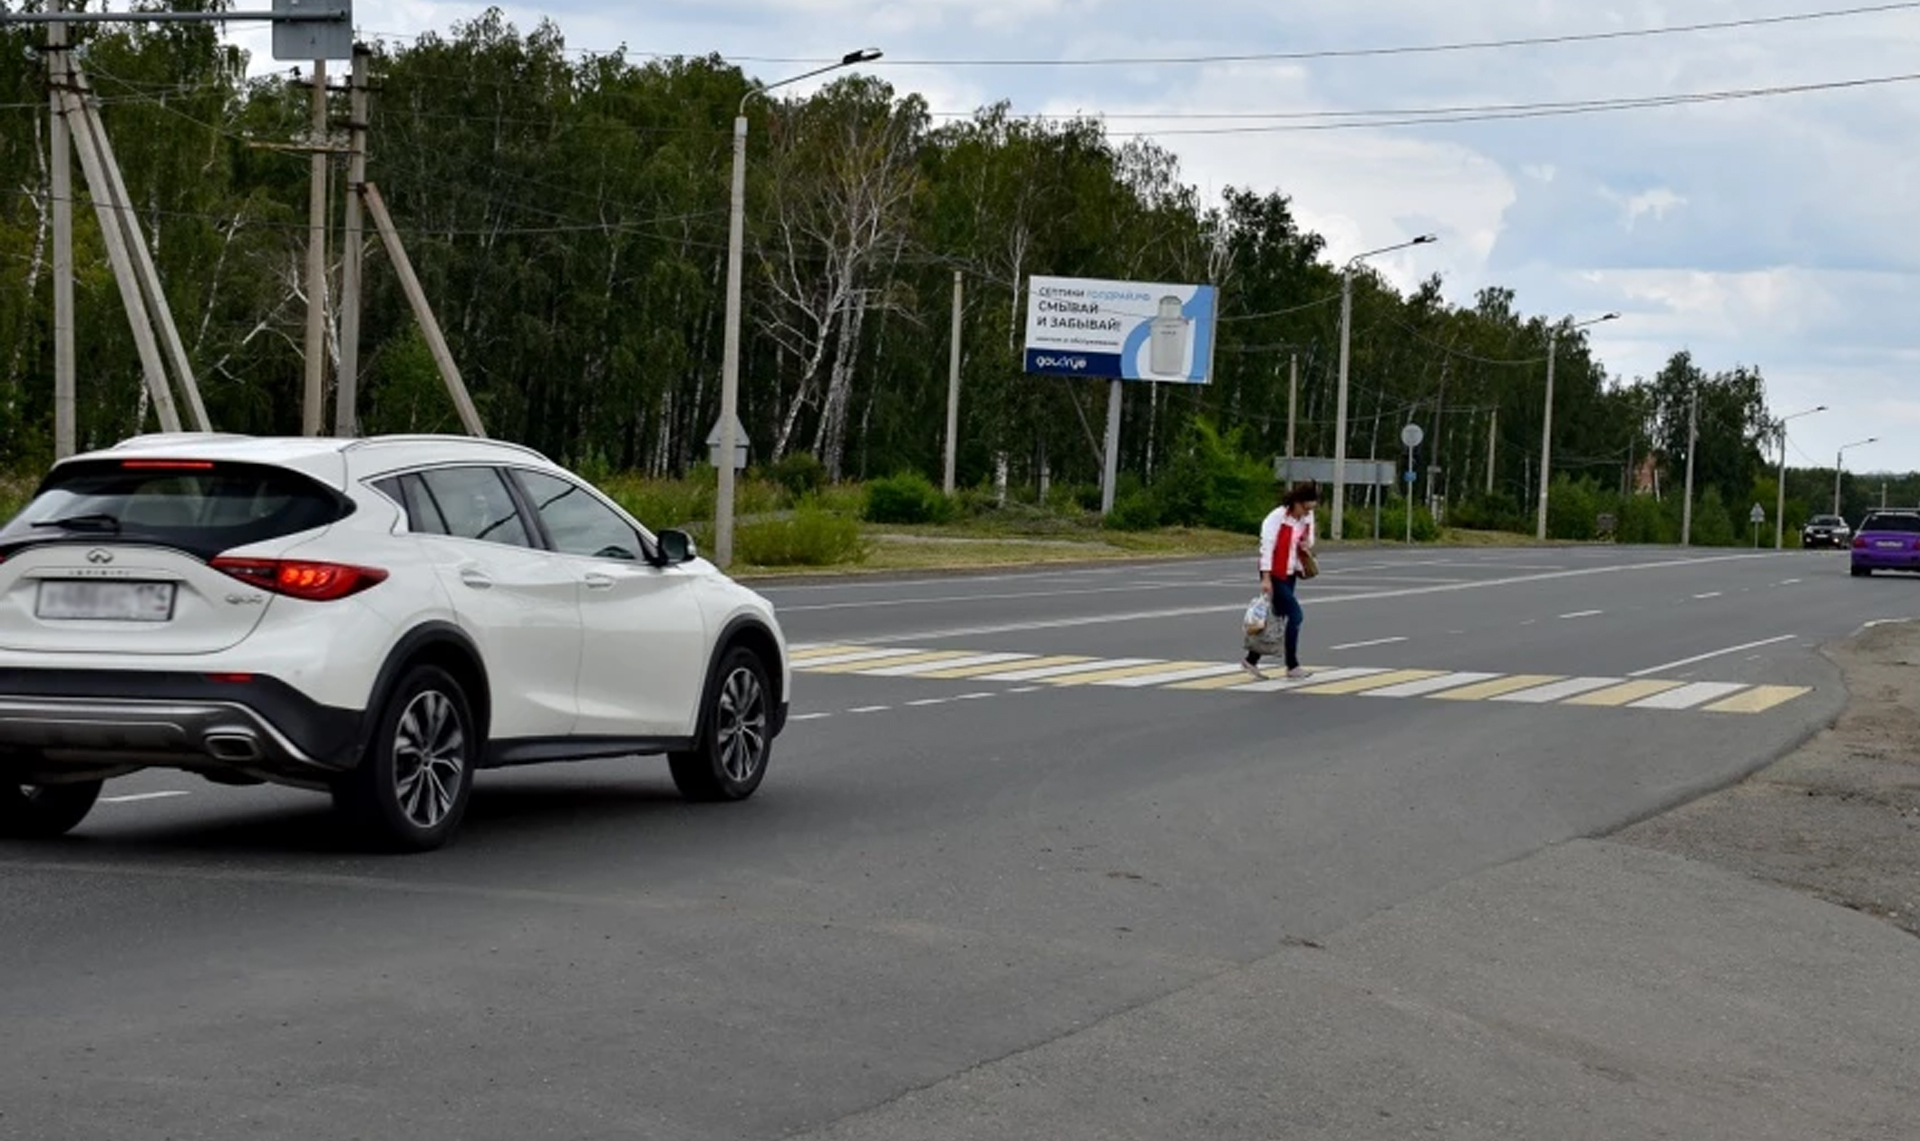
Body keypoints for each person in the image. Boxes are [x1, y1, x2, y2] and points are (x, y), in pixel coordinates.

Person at [1245, 482, 1319, 681]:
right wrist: (1266, 578)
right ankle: (1292, 665)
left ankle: (1251, 659)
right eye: (1304, 508)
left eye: (1310, 509)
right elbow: (1266, 548)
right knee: (1295, 616)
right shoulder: (1277, 517)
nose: (1306, 513)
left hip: (1291, 573)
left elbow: (1310, 540)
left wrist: (1306, 544)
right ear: (1296, 502)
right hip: (1274, 573)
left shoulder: (1306, 517)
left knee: (1276, 618)